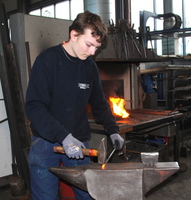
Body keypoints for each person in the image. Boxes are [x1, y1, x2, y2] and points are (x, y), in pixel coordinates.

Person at [25, 11, 124, 200]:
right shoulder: (47, 61)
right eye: (89, 45)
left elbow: (99, 103)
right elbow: (34, 106)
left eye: (96, 47)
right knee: (46, 197)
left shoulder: (89, 67)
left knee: (88, 194)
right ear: (73, 35)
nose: (92, 52)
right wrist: (63, 136)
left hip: (79, 141)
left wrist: (113, 130)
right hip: (46, 143)